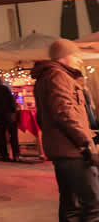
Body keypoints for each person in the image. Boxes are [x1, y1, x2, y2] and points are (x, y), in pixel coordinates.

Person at [32, 38, 99, 221]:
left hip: (64, 149)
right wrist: (86, 142)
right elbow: (65, 112)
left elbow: (45, 116)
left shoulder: (48, 76)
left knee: (72, 205)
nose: (80, 60)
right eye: (75, 56)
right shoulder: (58, 76)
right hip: (73, 150)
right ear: (62, 57)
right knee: (92, 205)